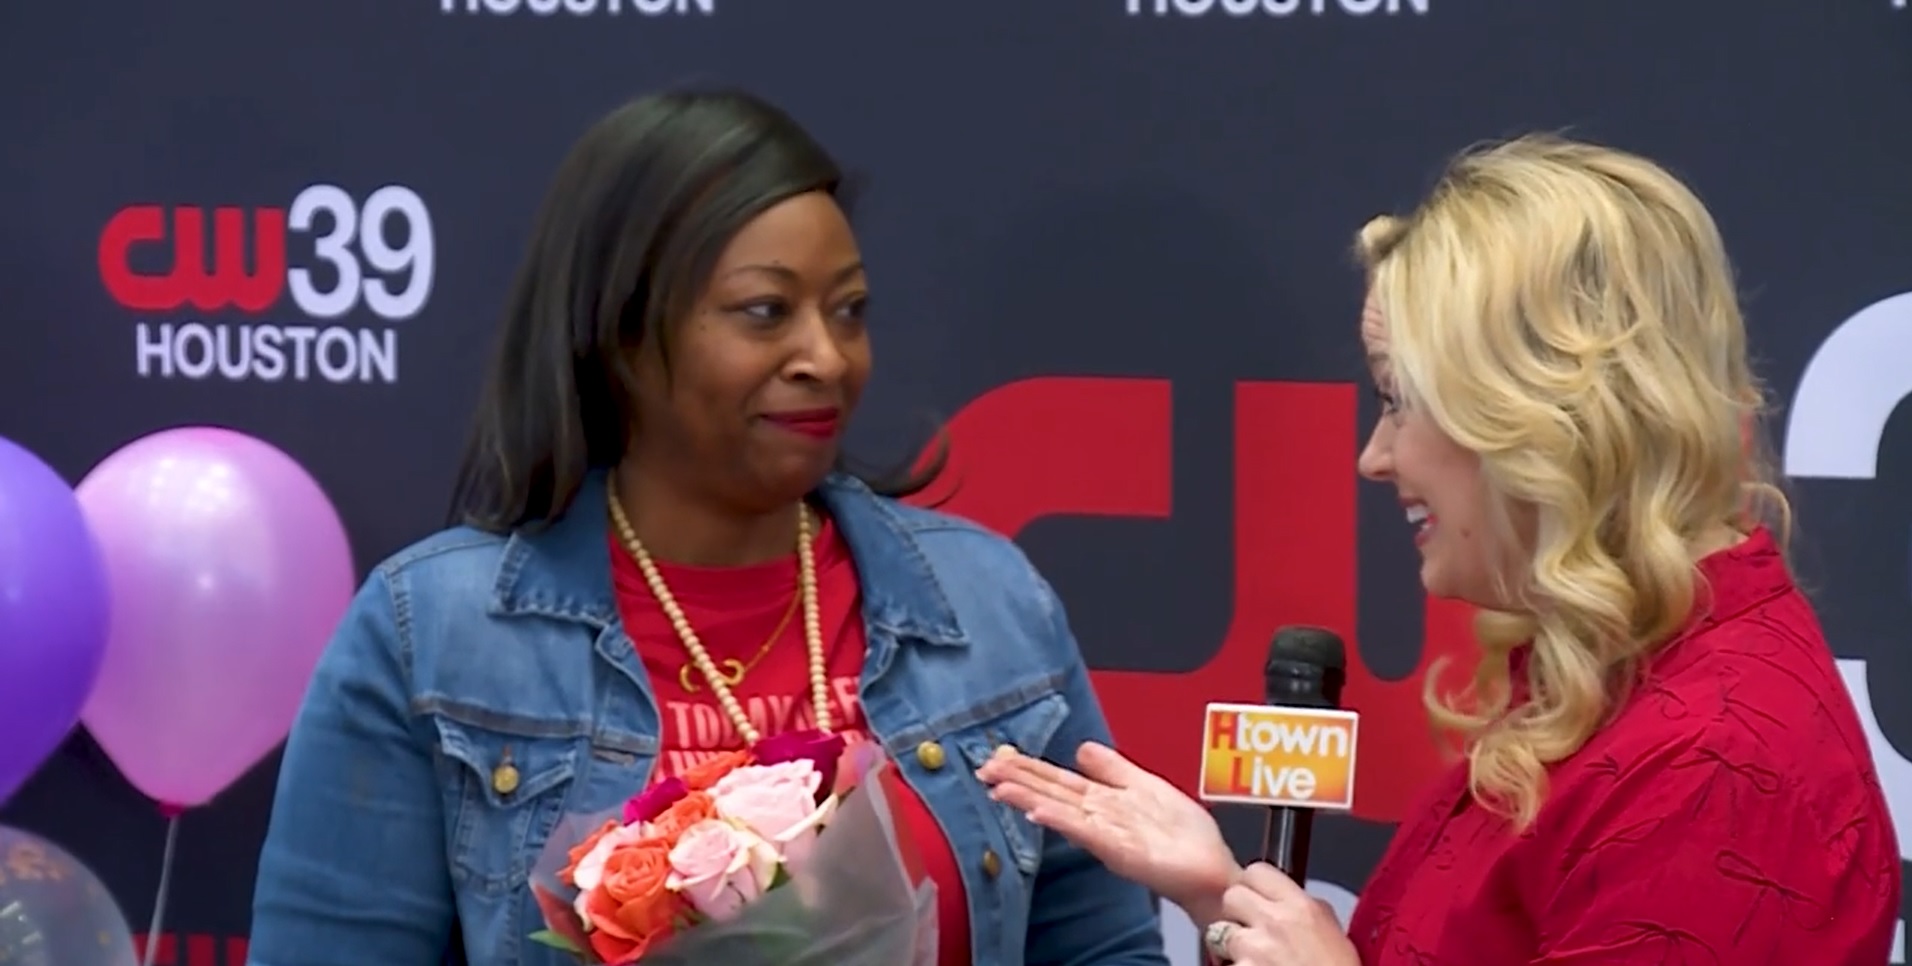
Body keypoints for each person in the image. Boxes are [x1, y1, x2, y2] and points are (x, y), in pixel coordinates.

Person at [246, 88, 1167, 966]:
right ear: (622, 334)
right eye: (766, 312)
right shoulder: (435, 638)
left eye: (848, 311)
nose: (825, 356)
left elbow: (1104, 948)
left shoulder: (990, 611)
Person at [977, 134, 1902, 965]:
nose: (1374, 457)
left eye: (1398, 401)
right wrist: (1224, 899)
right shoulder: (1623, 678)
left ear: (1539, 415)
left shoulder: (1714, 773)